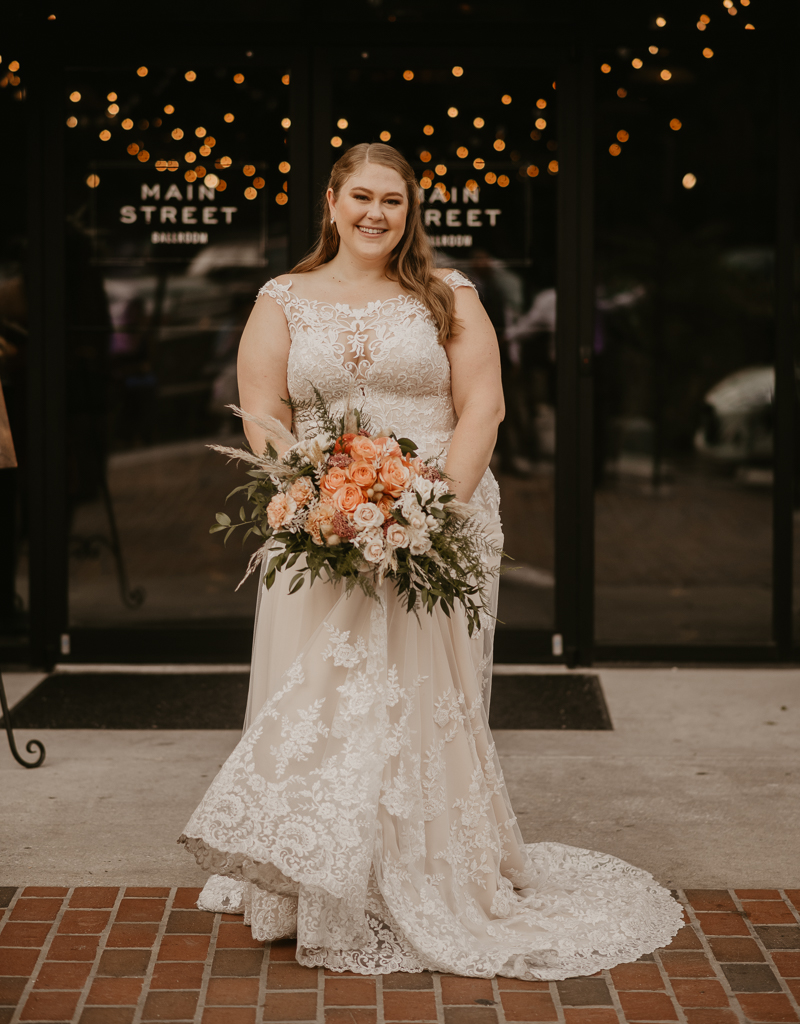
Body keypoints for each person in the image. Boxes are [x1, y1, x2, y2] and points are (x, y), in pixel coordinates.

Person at [178, 143, 682, 979]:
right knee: (323, 690)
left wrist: (428, 508)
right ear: (331, 201)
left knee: (416, 695)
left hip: (439, 516)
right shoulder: (284, 298)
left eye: (396, 202)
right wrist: (314, 497)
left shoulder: (449, 293)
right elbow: (262, 410)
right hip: (319, 523)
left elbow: (483, 405)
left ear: (412, 213)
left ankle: (417, 867)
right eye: (362, 197)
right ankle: (312, 879)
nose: (377, 214)